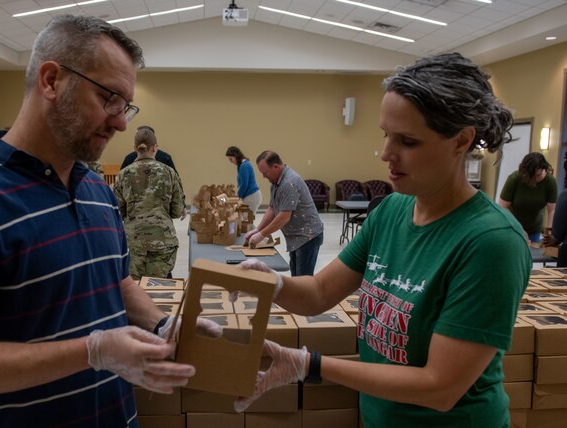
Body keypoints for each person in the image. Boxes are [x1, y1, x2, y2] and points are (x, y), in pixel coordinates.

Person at [0, 15, 220, 427]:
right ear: (51, 81)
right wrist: (92, 351)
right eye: (109, 99)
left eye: (126, 106)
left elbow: (116, 283)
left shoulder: (98, 191)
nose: (122, 123)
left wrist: (160, 324)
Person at [234, 53, 530, 427]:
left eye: (407, 141)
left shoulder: (490, 242)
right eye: (385, 135)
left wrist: (311, 365)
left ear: (462, 141)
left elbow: (439, 387)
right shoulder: (391, 211)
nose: (387, 154)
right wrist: (272, 282)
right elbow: (319, 293)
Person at [114, 127, 186, 279]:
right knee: (161, 287)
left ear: (135, 148)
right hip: (162, 240)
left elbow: (118, 212)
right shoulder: (168, 172)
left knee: (135, 288)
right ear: (155, 148)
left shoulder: (123, 175)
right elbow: (177, 210)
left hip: (133, 241)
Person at [244, 150, 323, 276]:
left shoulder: (289, 183)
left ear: (275, 167)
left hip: (307, 236)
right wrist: (257, 230)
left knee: (303, 280)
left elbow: (284, 217)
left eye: (265, 173)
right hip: (296, 236)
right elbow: (272, 209)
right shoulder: (276, 183)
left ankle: (304, 296)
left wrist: (262, 235)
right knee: (296, 277)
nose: (264, 177)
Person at [499, 152, 557, 243]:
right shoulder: (515, 178)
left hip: (534, 229)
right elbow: (502, 206)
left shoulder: (550, 182)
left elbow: (552, 210)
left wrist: (549, 232)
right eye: (531, 176)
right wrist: (518, 227)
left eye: (538, 176)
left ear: (543, 169)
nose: (534, 179)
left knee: (532, 255)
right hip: (511, 226)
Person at [225, 146, 262, 214]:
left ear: (236, 156)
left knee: (245, 221)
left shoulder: (244, 166)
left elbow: (244, 184)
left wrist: (238, 196)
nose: (230, 162)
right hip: (251, 195)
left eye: (231, 159)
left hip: (252, 195)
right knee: (246, 221)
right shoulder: (242, 165)